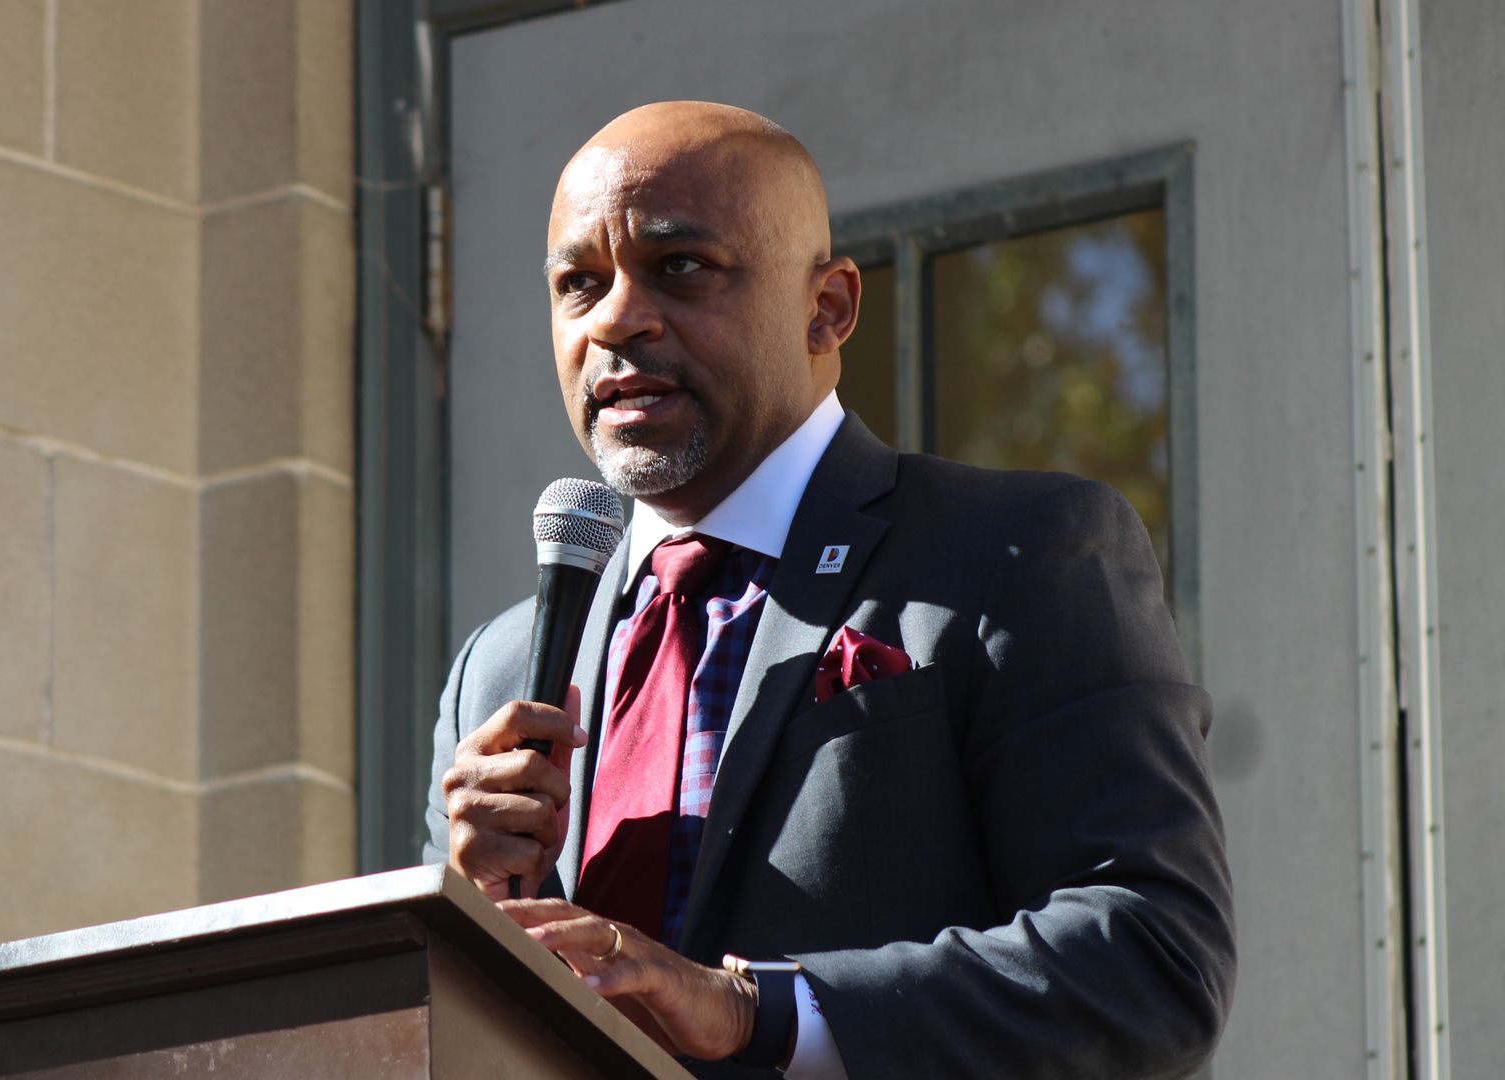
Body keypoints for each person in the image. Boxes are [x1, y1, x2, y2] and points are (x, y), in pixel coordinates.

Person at [424, 101, 1235, 1078]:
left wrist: (754, 1010)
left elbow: (1153, 960)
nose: (616, 318)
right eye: (579, 283)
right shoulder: (498, 673)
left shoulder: (1015, 555)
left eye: (680, 267)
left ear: (829, 308)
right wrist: (471, 925)